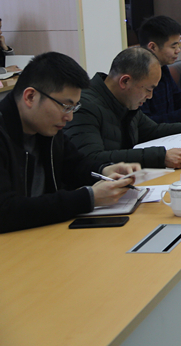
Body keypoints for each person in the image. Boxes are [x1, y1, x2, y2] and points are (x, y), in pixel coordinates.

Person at [0, 52, 141, 233]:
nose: (69, 117)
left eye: (74, 107)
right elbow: (5, 210)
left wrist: (104, 170)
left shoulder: (46, 129)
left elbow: (75, 165)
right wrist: (88, 198)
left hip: (44, 232)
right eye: (66, 106)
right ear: (30, 97)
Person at [65, 47, 181, 168]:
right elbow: (91, 158)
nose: (150, 96)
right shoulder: (84, 106)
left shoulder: (125, 101)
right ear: (125, 81)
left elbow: (153, 130)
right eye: (148, 90)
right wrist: (160, 157)